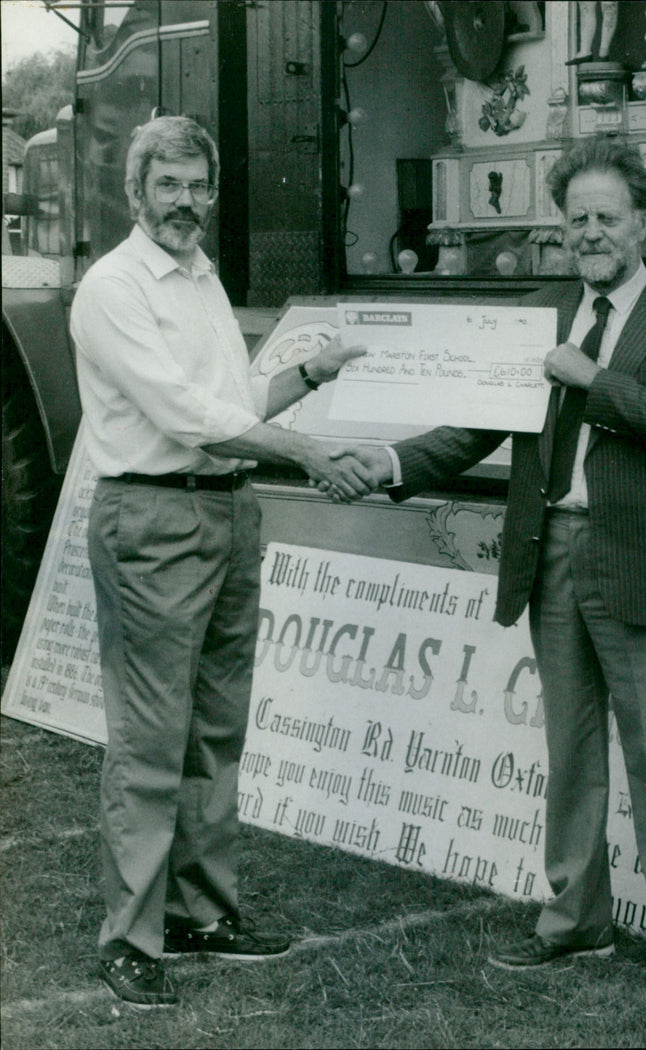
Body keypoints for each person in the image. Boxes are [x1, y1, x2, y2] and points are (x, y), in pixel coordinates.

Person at [329, 139, 646, 1007]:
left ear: (644, 220)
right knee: (572, 753)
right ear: (563, 227)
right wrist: (387, 462)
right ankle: (576, 921)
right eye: (577, 218)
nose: (592, 233)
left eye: (608, 217)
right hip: (552, 554)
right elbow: (468, 431)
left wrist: (593, 379)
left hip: (645, 562)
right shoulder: (535, 317)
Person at [70, 116, 375, 1008]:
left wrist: (311, 376)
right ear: (136, 192)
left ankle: (200, 913)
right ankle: (130, 935)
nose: (187, 202)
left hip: (226, 511)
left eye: (199, 184)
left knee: (213, 730)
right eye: (168, 185)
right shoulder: (112, 287)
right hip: (154, 520)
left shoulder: (201, 276)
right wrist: (307, 454)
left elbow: (230, 402)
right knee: (149, 739)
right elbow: (181, 415)